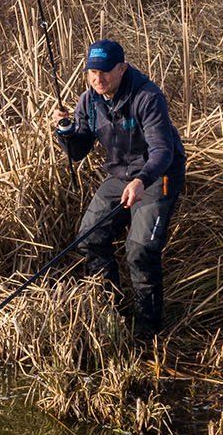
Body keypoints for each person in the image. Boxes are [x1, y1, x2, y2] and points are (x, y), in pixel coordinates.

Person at [50, 39, 186, 337]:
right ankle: (110, 311)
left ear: (122, 68)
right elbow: (78, 151)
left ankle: (147, 330)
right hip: (120, 175)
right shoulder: (89, 100)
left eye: (106, 72)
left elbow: (163, 151)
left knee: (140, 249)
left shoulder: (148, 97)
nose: (98, 79)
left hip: (157, 174)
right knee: (90, 237)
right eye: (92, 72)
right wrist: (65, 130)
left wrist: (142, 180)